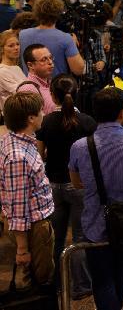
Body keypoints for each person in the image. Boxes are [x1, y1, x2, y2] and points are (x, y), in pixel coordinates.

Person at [69, 87, 123, 310]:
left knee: (102, 281)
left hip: (96, 223)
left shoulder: (80, 146)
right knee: (121, 272)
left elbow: (76, 183)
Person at [35, 74, 95, 296]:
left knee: (57, 236)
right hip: (79, 185)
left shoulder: (46, 122)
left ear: (52, 95)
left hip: (54, 185)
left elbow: (41, 155)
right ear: (77, 93)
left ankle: (57, 283)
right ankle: (81, 286)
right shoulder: (88, 122)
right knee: (79, 237)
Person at [0, 91, 55, 289]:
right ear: (30, 118)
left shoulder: (13, 139)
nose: (43, 114)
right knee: (38, 282)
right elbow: (18, 204)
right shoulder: (18, 156)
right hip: (34, 227)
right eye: (40, 111)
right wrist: (22, 249)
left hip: (33, 224)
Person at [19, 0, 85, 79]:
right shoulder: (65, 38)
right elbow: (78, 70)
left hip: (29, 87)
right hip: (55, 89)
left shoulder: (23, 34)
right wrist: (74, 45)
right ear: (58, 13)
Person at [0, 30, 26, 110]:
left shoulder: (17, 68)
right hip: (13, 115)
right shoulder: (2, 71)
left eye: (17, 44)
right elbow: (22, 93)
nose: (16, 48)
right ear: (2, 49)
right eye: (11, 46)